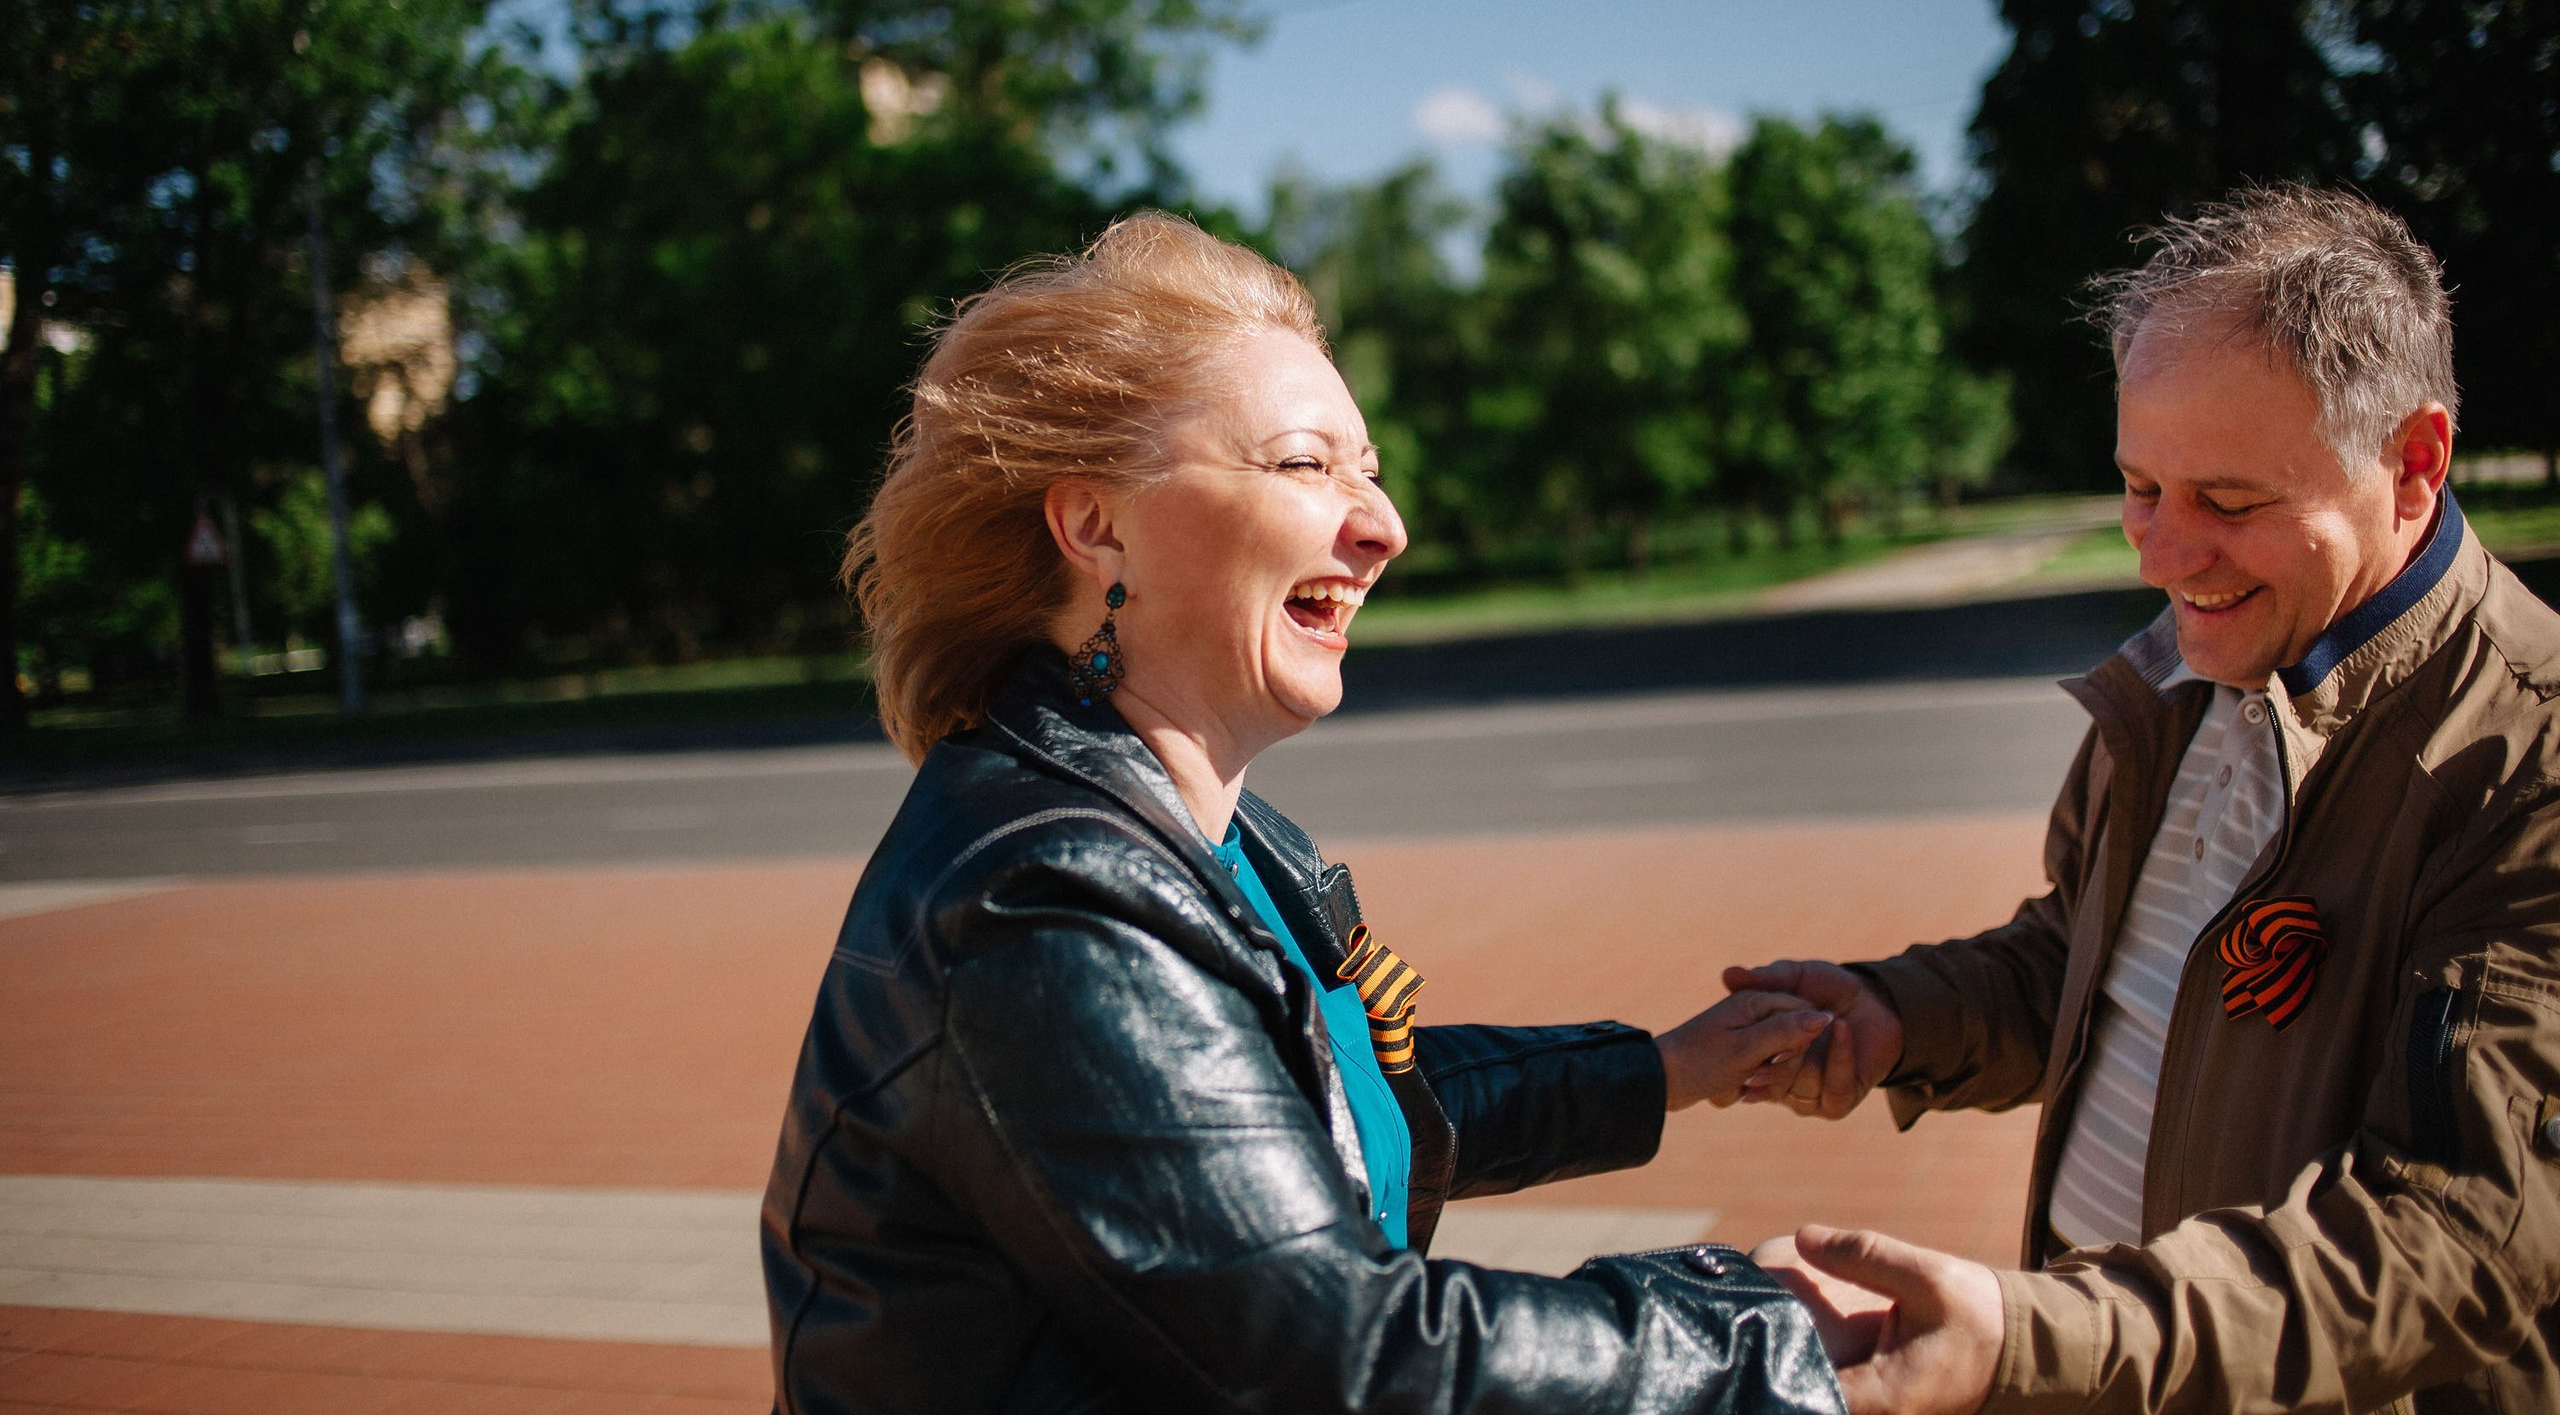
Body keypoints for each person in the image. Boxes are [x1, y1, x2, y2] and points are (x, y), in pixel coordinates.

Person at [761, 212, 1846, 1413]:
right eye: (1303, 464)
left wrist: (1662, 1069)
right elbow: (1335, 1357)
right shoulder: (1045, 896)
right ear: (1094, 525)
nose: (1383, 527)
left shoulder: (1213, 836)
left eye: (1368, 469)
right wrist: (1774, 1342)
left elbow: (1308, 1109)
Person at [1727, 184, 2560, 1414]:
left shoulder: (2528, 761)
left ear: (2413, 465)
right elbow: (2093, 958)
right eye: (2139, 487)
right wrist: (1900, 1016)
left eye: (2228, 503)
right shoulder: (2189, 659)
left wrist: (2025, 1337)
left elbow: (2447, 1241)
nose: (2161, 557)